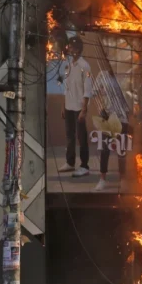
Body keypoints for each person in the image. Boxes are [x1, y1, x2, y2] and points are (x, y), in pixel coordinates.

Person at [58, 37, 94, 179]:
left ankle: (84, 166)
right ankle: (70, 162)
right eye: (69, 47)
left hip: (79, 107)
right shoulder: (69, 65)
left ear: (78, 49)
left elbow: (88, 88)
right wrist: (63, 105)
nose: (69, 50)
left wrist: (84, 109)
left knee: (81, 137)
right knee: (69, 137)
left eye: (72, 48)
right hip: (69, 106)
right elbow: (66, 88)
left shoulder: (85, 66)